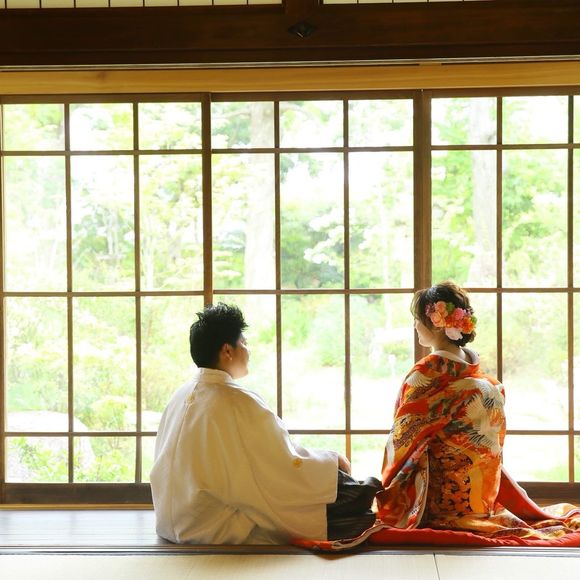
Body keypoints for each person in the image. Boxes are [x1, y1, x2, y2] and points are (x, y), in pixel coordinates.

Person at [150, 302, 380, 545]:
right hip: (215, 524)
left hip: (175, 521)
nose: (248, 351)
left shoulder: (180, 395)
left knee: (340, 488)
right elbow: (282, 463)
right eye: (244, 343)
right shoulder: (235, 400)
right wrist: (332, 463)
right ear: (227, 351)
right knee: (354, 502)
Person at [376, 281, 580, 539]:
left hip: (441, 502)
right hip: (481, 496)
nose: (415, 325)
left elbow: (402, 439)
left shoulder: (427, 374)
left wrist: (383, 489)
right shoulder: (483, 380)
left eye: (418, 319)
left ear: (436, 323)